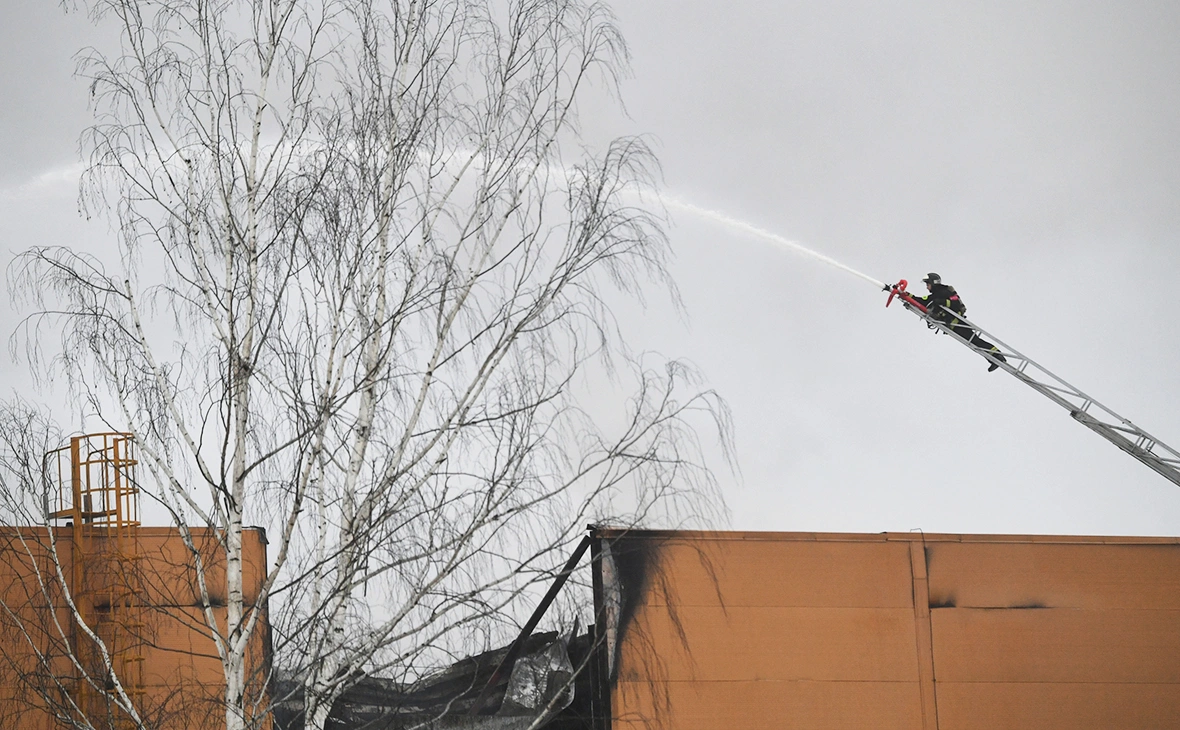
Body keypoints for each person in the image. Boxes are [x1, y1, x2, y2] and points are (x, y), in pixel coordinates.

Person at [910, 273, 1008, 372]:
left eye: (928, 284)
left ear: (933, 283)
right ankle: (994, 359)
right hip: (952, 326)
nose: (927, 287)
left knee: (974, 341)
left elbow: (955, 303)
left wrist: (942, 302)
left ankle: (997, 356)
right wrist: (905, 294)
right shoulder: (934, 296)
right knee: (974, 343)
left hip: (958, 323)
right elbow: (921, 300)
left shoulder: (946, 291)